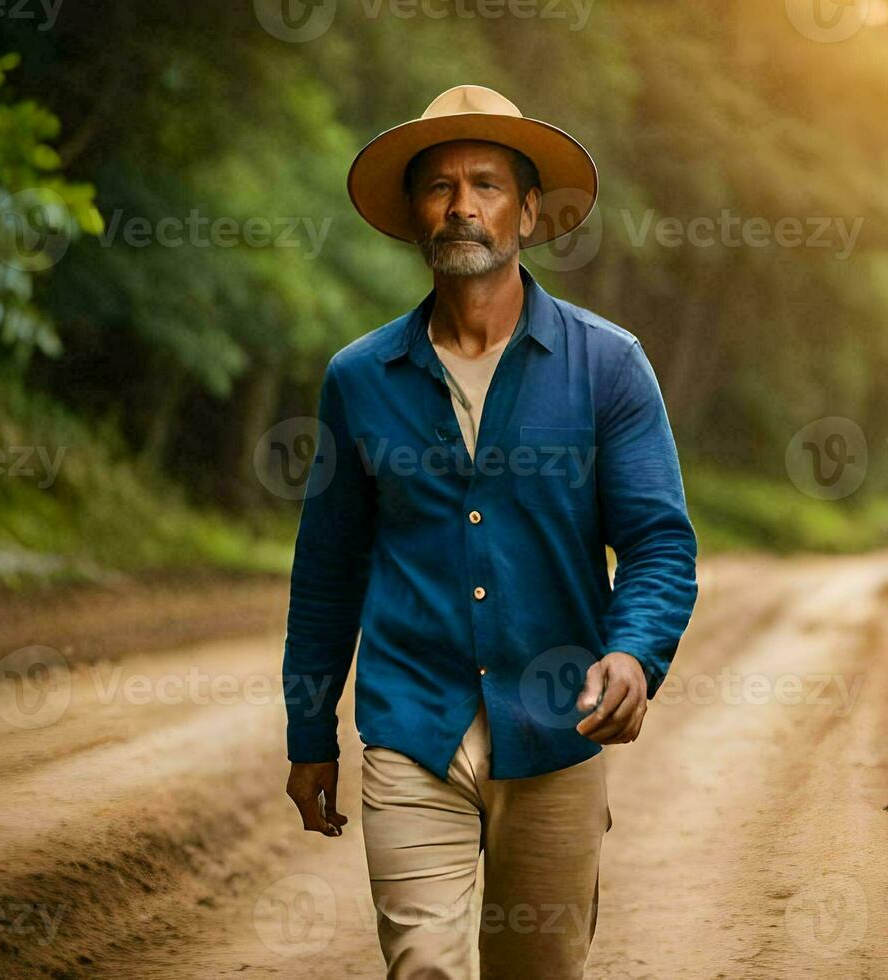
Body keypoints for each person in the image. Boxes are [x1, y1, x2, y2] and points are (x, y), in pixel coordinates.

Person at [280, 84, 699, 978]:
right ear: (414, 215)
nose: (461, 205)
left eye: (486, 184)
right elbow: (327, 569)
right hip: (410, 728)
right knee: (424, 967)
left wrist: (633, 654)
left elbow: (659, 542)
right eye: (438, 186)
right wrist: (309, 732)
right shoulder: (359, 379)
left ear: (530, 211)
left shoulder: (607, 366)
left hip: (557, 727)